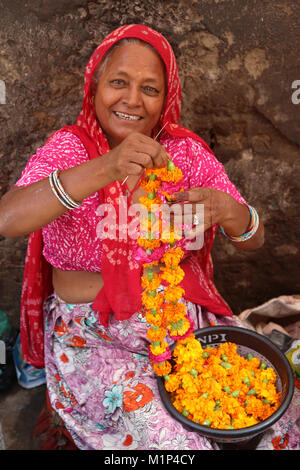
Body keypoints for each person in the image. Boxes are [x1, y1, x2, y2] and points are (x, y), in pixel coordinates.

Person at [0, 24, 298, 451]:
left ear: (166, 97)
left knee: (278, 415)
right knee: (174, 446)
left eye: (149, 89)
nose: (132, 100)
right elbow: (8, 218)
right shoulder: (71, 149)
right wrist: (107, 167)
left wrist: (229, 211)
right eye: (118, 83)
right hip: (95, 337)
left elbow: (254, 239)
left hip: (180, 325)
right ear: (95, 86)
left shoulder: (184, 154)